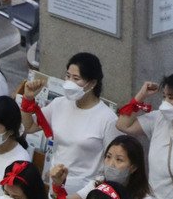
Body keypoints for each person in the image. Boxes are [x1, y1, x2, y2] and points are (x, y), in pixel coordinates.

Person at [19, 53, 117, 187]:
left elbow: (113, 165)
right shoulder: (59, 104)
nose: (70, 82)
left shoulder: (108, 119)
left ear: (92, 83)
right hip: (56, 183)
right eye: (68, 76)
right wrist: (27, 99)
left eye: (76, 78)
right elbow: (29, 127)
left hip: (86, 192)